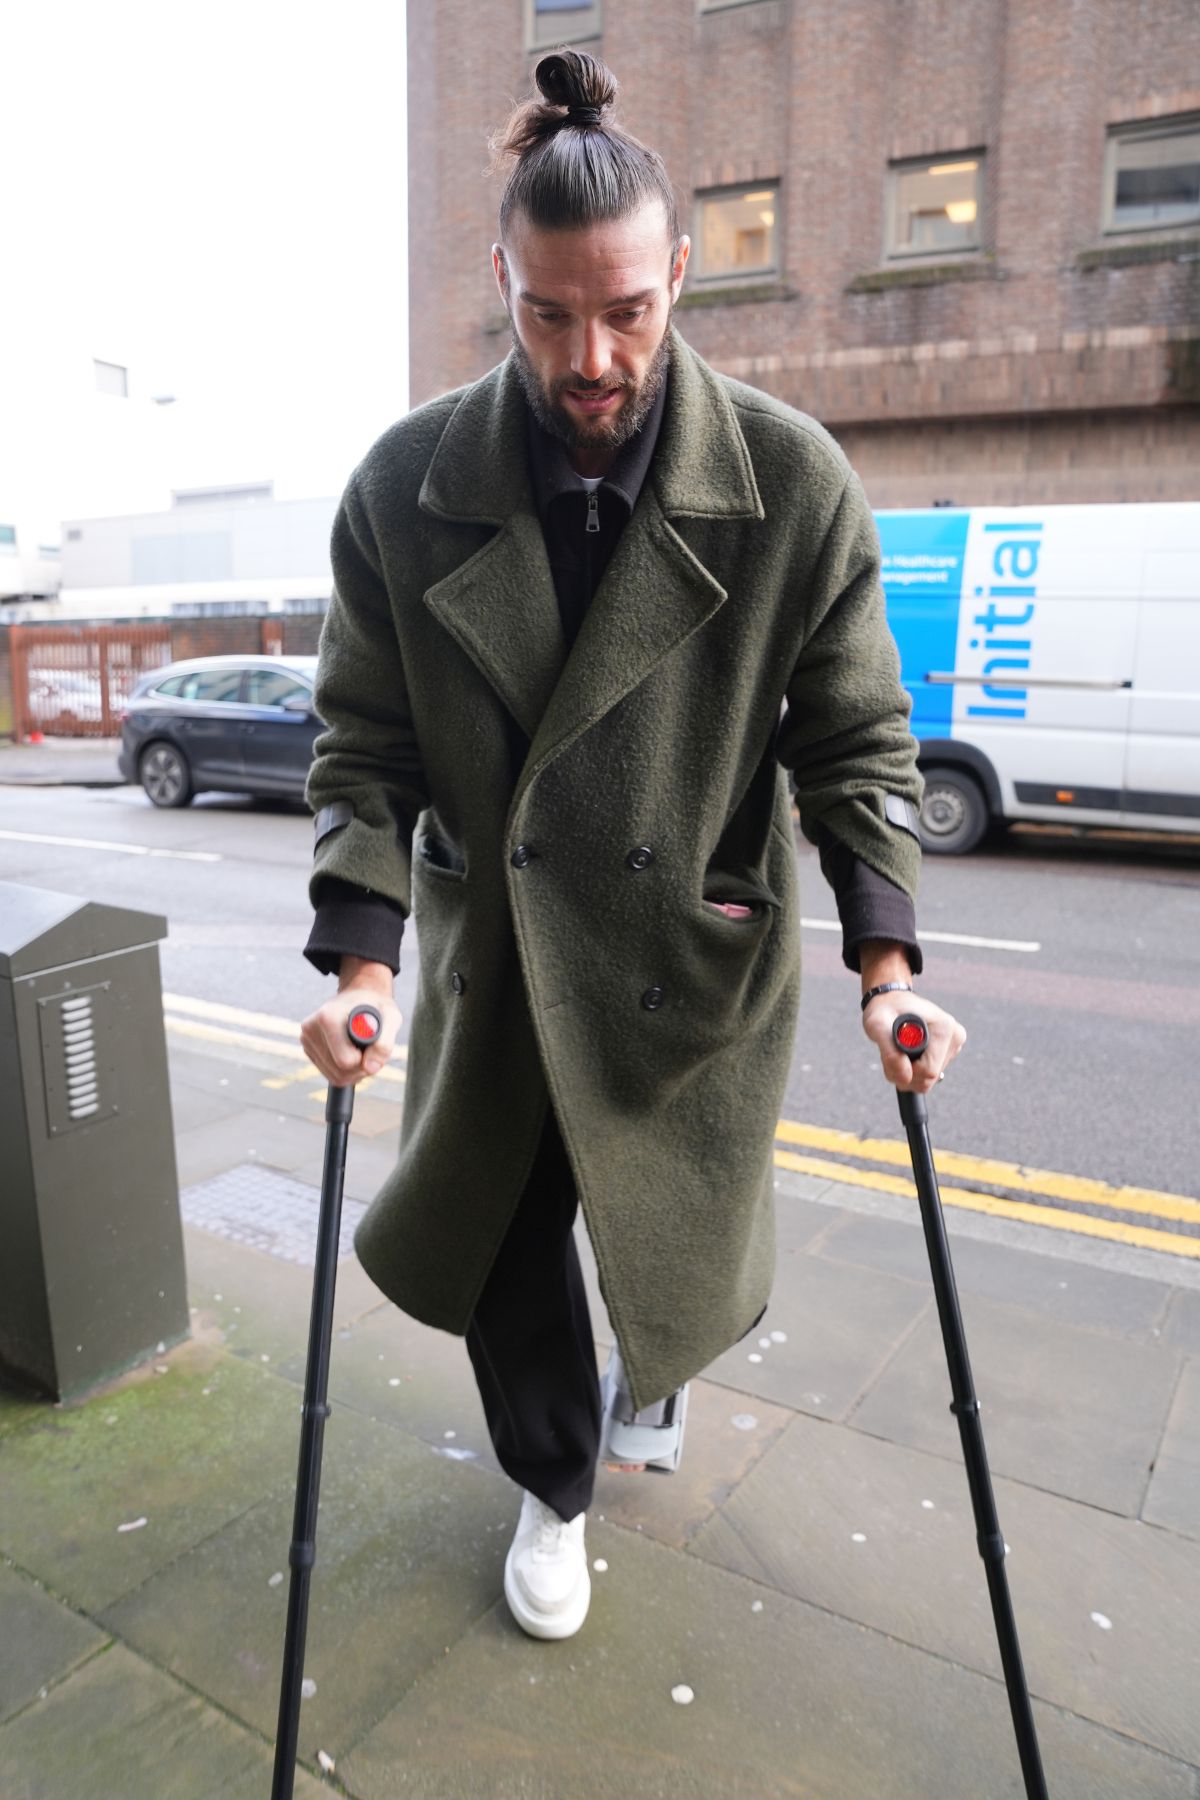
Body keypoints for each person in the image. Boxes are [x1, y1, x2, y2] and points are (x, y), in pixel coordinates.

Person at [299, 49, 966, 1643]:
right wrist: (358, 958)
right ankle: (553, 1479)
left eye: (627, 313)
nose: (589, 357)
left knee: (670, 1220)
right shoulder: (405, 489)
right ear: (501, 283)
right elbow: (365, 747)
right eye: (547, 314)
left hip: (693, 945)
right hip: (504, 955)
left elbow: (856, 736)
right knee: (515, 1236)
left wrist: (887, 964)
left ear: (679, 276)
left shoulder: (793, 483)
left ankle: (654, 1368)